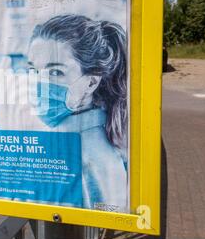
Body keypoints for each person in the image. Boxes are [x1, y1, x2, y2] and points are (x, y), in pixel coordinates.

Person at [26, 14, 129, 213]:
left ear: (91, 82)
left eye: (56, 72)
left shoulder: (87, 159)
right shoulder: (71, 135)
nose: (39, 84)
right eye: (33, 71)